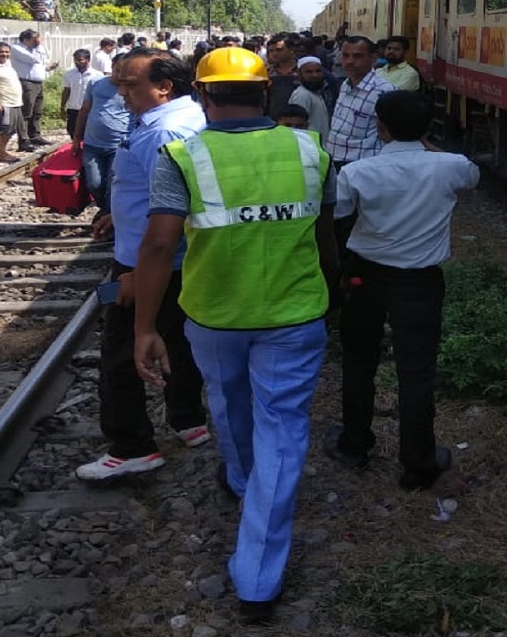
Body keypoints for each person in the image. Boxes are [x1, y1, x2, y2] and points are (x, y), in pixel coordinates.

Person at [132, 47, 339, 627]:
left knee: (228, 404)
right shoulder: (311, 150)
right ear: (267, 92)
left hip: (215, 318)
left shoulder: (182, 155)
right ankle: (257, 576)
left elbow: (156, 246)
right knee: (283, 429)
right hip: (295, 317)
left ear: (202, 94)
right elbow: (325, 234)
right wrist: (334, 296)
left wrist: (145, 327)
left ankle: (245, 482)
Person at [324, 91, 479, 490]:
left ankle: (355, 444)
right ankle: (418, 460)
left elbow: (338, 215)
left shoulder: (358, 172)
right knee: (417, 370)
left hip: (366, 275)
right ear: (429, 127)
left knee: (359, 361)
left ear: (380, 125)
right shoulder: (453, 167)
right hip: (420, 282)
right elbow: (470, 178)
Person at [76, 50, 209, 482]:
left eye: (129, 84)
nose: (120, 93)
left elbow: (167, 214)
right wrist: (122, 210)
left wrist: (135, 273)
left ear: (164, 86)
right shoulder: (184, 117)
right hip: (172, 260)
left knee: (121, 352)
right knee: (180, 341)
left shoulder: (162, 131)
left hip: (142, 263)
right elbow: (169, 193)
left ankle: (131, 446)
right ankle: (188, 420)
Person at [326, 35, 395, 168]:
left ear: (373, 58)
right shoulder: (346, 84)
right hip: (336, 160)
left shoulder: (384, 91)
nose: (350, 61)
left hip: (364, 165)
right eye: (345, 55)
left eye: (357, 56)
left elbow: (392, 135)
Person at [72, 55, 131, 214]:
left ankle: (108, 215)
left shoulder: (131, 88)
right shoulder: (96, 83)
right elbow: (84, 110)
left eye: (124, 72)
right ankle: (104, 209)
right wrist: (77, 138)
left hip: (119, 146)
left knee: (113, 184)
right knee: (94, 184)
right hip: (93, 144)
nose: (120, 75)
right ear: (111, 67)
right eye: (118, 70)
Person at [11, 30, 58, 150]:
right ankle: (24, 140)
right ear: (25, 40)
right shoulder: (17, 48)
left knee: (37, 111)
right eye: (34, 39)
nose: (36, 42)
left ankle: (35, 136)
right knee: (26, 112)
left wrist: (47, 68)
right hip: (26, 83)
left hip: (38, 84)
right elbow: (34, 59)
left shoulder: (33, 49)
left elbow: (38, 65)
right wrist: (39, 45)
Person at [289, 57, 333, 143]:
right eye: (309, 72)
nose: (315, 75)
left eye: (318, 71)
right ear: (299, 74)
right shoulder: (301, 95)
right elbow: (297, 128)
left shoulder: (317, 93)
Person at [60, 49, 102, 138]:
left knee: (88, 134)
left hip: (89, 110)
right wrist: (62, 107)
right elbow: (66, 90)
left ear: (88, 60)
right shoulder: (69, 74)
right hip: (73, 109)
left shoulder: (97, 75)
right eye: (75, 60)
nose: (77, 62)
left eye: (80, 60)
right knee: (72, 132)